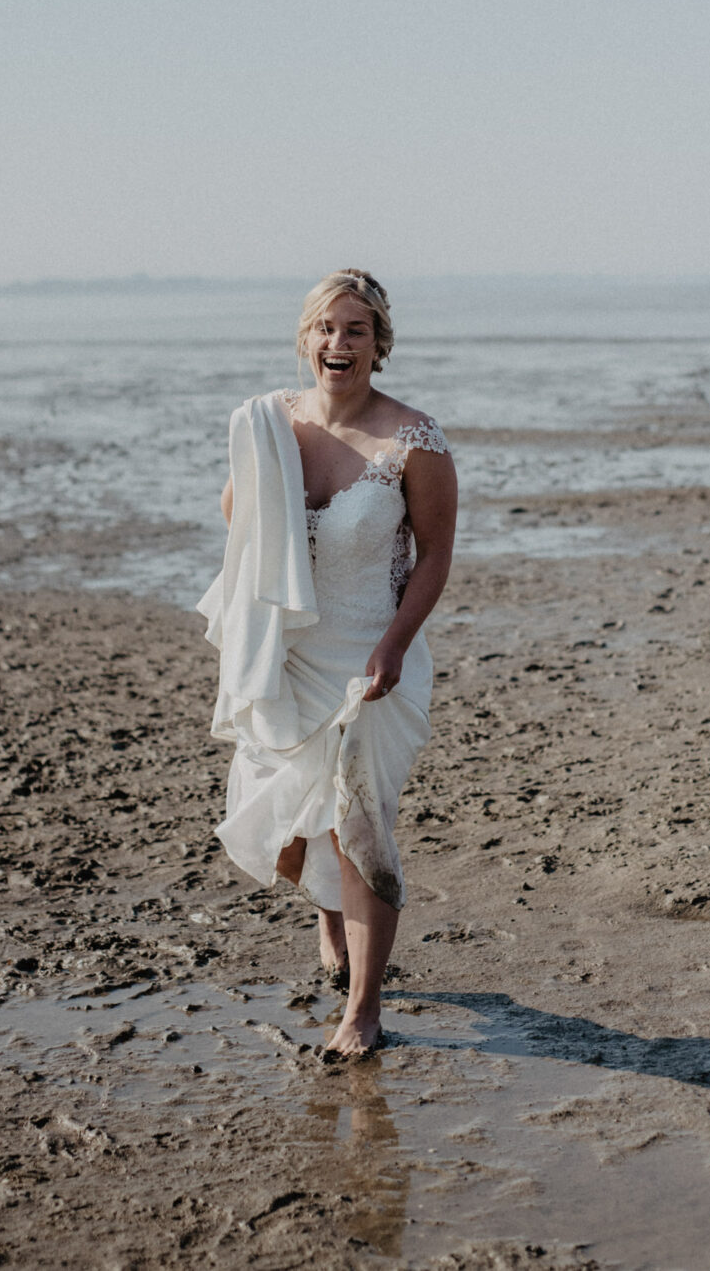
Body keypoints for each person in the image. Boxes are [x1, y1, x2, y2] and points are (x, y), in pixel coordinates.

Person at [197, 268, 457, 1056]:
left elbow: (436, 554)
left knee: (359, 824)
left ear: (380, 346)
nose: (337, 343)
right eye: (325, 329)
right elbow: (236, 519)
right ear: (305, 339)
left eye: (355, 331)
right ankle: (330, 926)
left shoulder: (413, 440)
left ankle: (365, 1012)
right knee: (297, 825)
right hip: (290, 657)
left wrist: (395, 645)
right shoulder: (270, 422)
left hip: (374, 661)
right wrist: (256, 481)